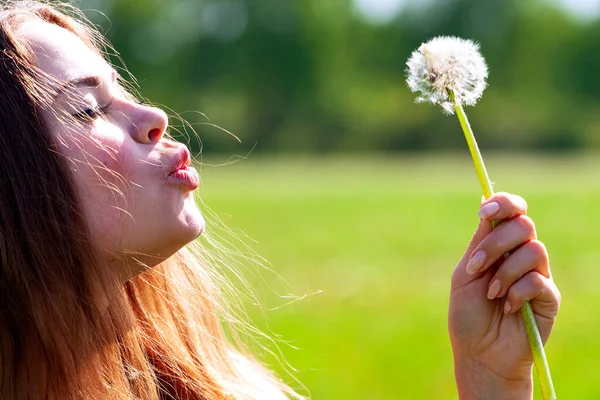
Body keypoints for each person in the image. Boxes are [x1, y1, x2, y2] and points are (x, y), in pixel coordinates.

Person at [0, 1, 559, 399]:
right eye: (88, 109)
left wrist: (492, 378)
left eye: (124, 92)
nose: (154, 117)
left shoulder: (215, 387)